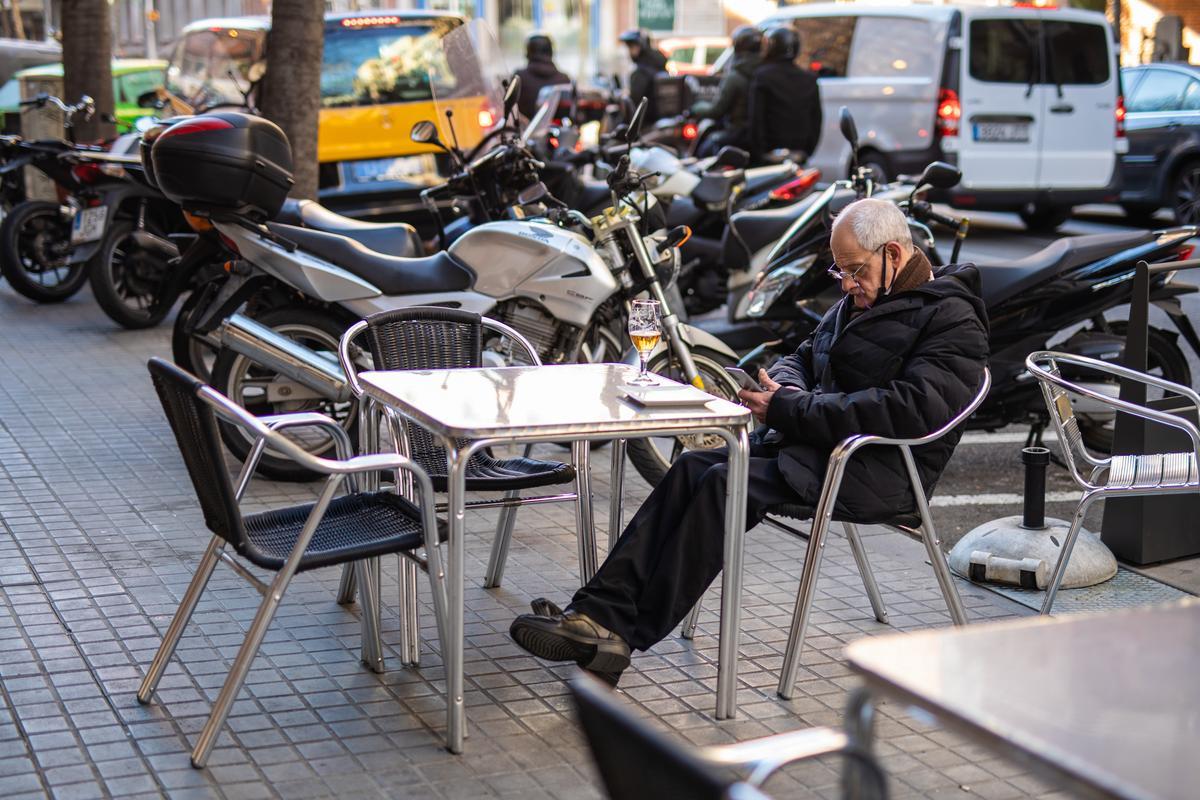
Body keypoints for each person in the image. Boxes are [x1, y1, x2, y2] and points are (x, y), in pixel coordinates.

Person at [509, 198, 989, 685]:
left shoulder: (951, 317)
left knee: (723, 483)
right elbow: (801, 355)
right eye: (839, 270)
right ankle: (594, 612)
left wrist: (789, 407)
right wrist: (786, 390)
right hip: (815, 445)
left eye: (854, 270)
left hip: (875, 468)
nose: (845, 283)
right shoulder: (864, 296)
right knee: (692, 468)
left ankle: (621, 634)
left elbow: (907, 411)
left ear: (893, 254)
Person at [748, 25, 822, 164]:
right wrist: (807, 152)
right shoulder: (809, 79)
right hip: (799, 154)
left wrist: (760, 153)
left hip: (769, 156)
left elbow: (756, 119)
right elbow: (816, 120)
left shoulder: (762, 76)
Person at [690, 25, 762, 156]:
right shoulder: (765, 72)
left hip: (737, 134)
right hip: (758, 136)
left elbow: (716, 110)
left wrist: (695, 108)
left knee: (703, 152)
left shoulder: (735, 76)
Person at [514, 33, 570, 121]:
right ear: (551, 52)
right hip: (557, 132)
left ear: (528, 53)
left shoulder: (519, 78)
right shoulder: (564, 79)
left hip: (525, 132)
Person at [619, 29, 669, 122]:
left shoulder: (641, 72)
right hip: (658, 118)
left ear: (640, 47)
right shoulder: (656, 62)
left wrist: (626, 95)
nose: (629, 52)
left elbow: (634, 100)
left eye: (632, 47)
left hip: (646, 121)